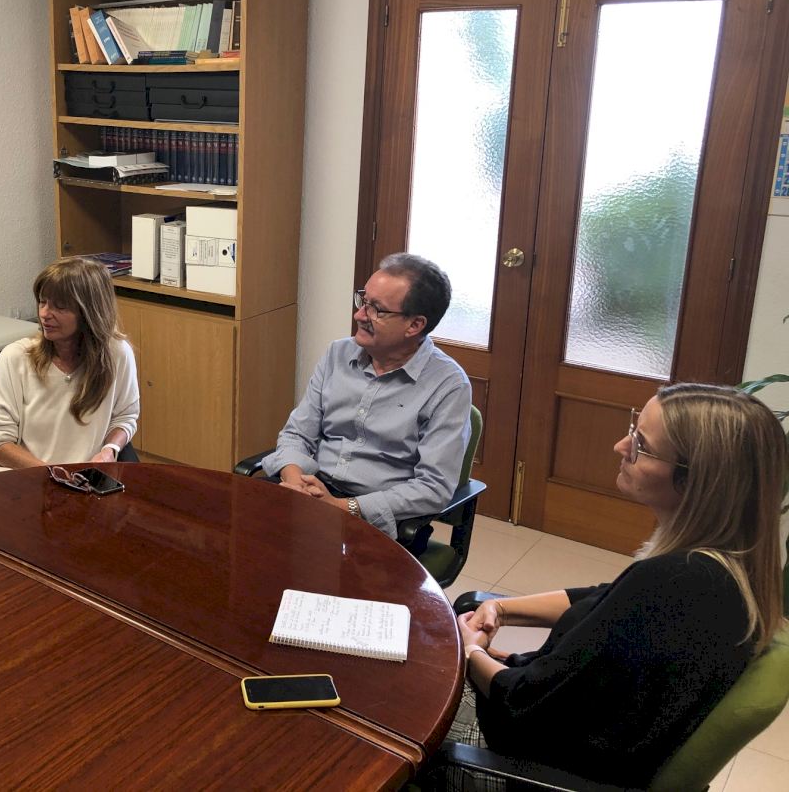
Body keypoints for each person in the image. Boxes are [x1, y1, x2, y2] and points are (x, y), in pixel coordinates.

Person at [436, 384, 787, 790]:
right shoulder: (719, 571)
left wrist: (471, 651)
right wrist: (503, 609)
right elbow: (605, 600)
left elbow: (523, 707)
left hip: (525, 765)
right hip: (566, 739)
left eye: (641, 445)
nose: (621, 446)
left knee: (395, 703)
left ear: (697, 481)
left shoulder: (675, 584)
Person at [261, 252, 472, 542]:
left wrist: (342, 507)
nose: (359, 315)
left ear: (414, 325)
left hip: (378, 518)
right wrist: (295, 482)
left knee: (311, 565)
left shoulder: (448, 385)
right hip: (311, 491)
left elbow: (433, 487)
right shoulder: (338, 354)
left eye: (377, 310)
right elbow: (297, 433)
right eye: (363, 301)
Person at [0, 257, 139, 474]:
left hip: (80, 479)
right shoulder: (16, 358)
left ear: (89, 312)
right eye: (42, 302)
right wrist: (54, 475)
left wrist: (110, 450)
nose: (44, 314)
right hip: (17, 475)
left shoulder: (117, 354)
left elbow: (125, 416)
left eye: (60, 306)